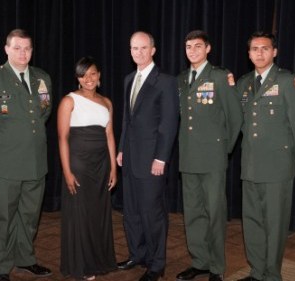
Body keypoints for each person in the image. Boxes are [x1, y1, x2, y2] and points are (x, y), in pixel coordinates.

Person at [0, 29, 52, 281]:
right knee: (4, 217)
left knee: (29, 216)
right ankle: (2, 267)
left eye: (27, 48)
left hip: (35, 161)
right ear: (6, 49)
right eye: (17, 48)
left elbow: (43, 112)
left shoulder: (42, 77)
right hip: (3, 164)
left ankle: (25, 259)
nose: (22, 53)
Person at [236, 31, 295, 281]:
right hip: (250, 166)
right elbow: (239, 122)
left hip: (277, 167)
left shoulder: (287, 81)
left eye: (265, 48)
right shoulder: (244, 83)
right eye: (255, 49)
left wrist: (294, 160)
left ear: (274, 52)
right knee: (252, 223)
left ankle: (272, 275)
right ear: (248, 54)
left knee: (275, 225)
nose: (260, 53)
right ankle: (257, 271)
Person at [175, 30, 243, 281]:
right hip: (189, 158)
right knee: (193, 213)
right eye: (188, 46)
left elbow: (235, 116)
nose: (192, 51)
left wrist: (223, 148)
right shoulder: (182, 79)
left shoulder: (219, 76)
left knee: (215, 214)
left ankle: (217, 267)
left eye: (197, 46)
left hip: (213, 158)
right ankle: (199, 261)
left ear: (208, 48)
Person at [116, 31, 179, 281]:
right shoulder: (129, 79)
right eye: (134, 48)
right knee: (131, 210)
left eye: (143, 48)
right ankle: (138, 254)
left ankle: (156, 264)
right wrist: (121, 148)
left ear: (153, 50)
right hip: (130, 157)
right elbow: (126, 120)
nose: (138, 53)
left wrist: (161, 158)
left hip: (152, 159)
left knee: (152, 213)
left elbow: (169, 123)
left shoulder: (165, 81)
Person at [58, 56, 117, 280]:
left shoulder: (107, 102)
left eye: (92, 73)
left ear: (99, 75)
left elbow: (110, 136)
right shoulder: (69, 101)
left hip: (102, 166)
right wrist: (67, 172)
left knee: (98, 214)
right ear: (78, 78)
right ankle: (81, 265)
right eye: (83, 75)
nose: (88, 78)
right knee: (80, 215)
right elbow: (62, 138)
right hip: (79, 165)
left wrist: (113, 168)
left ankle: (99, 260)